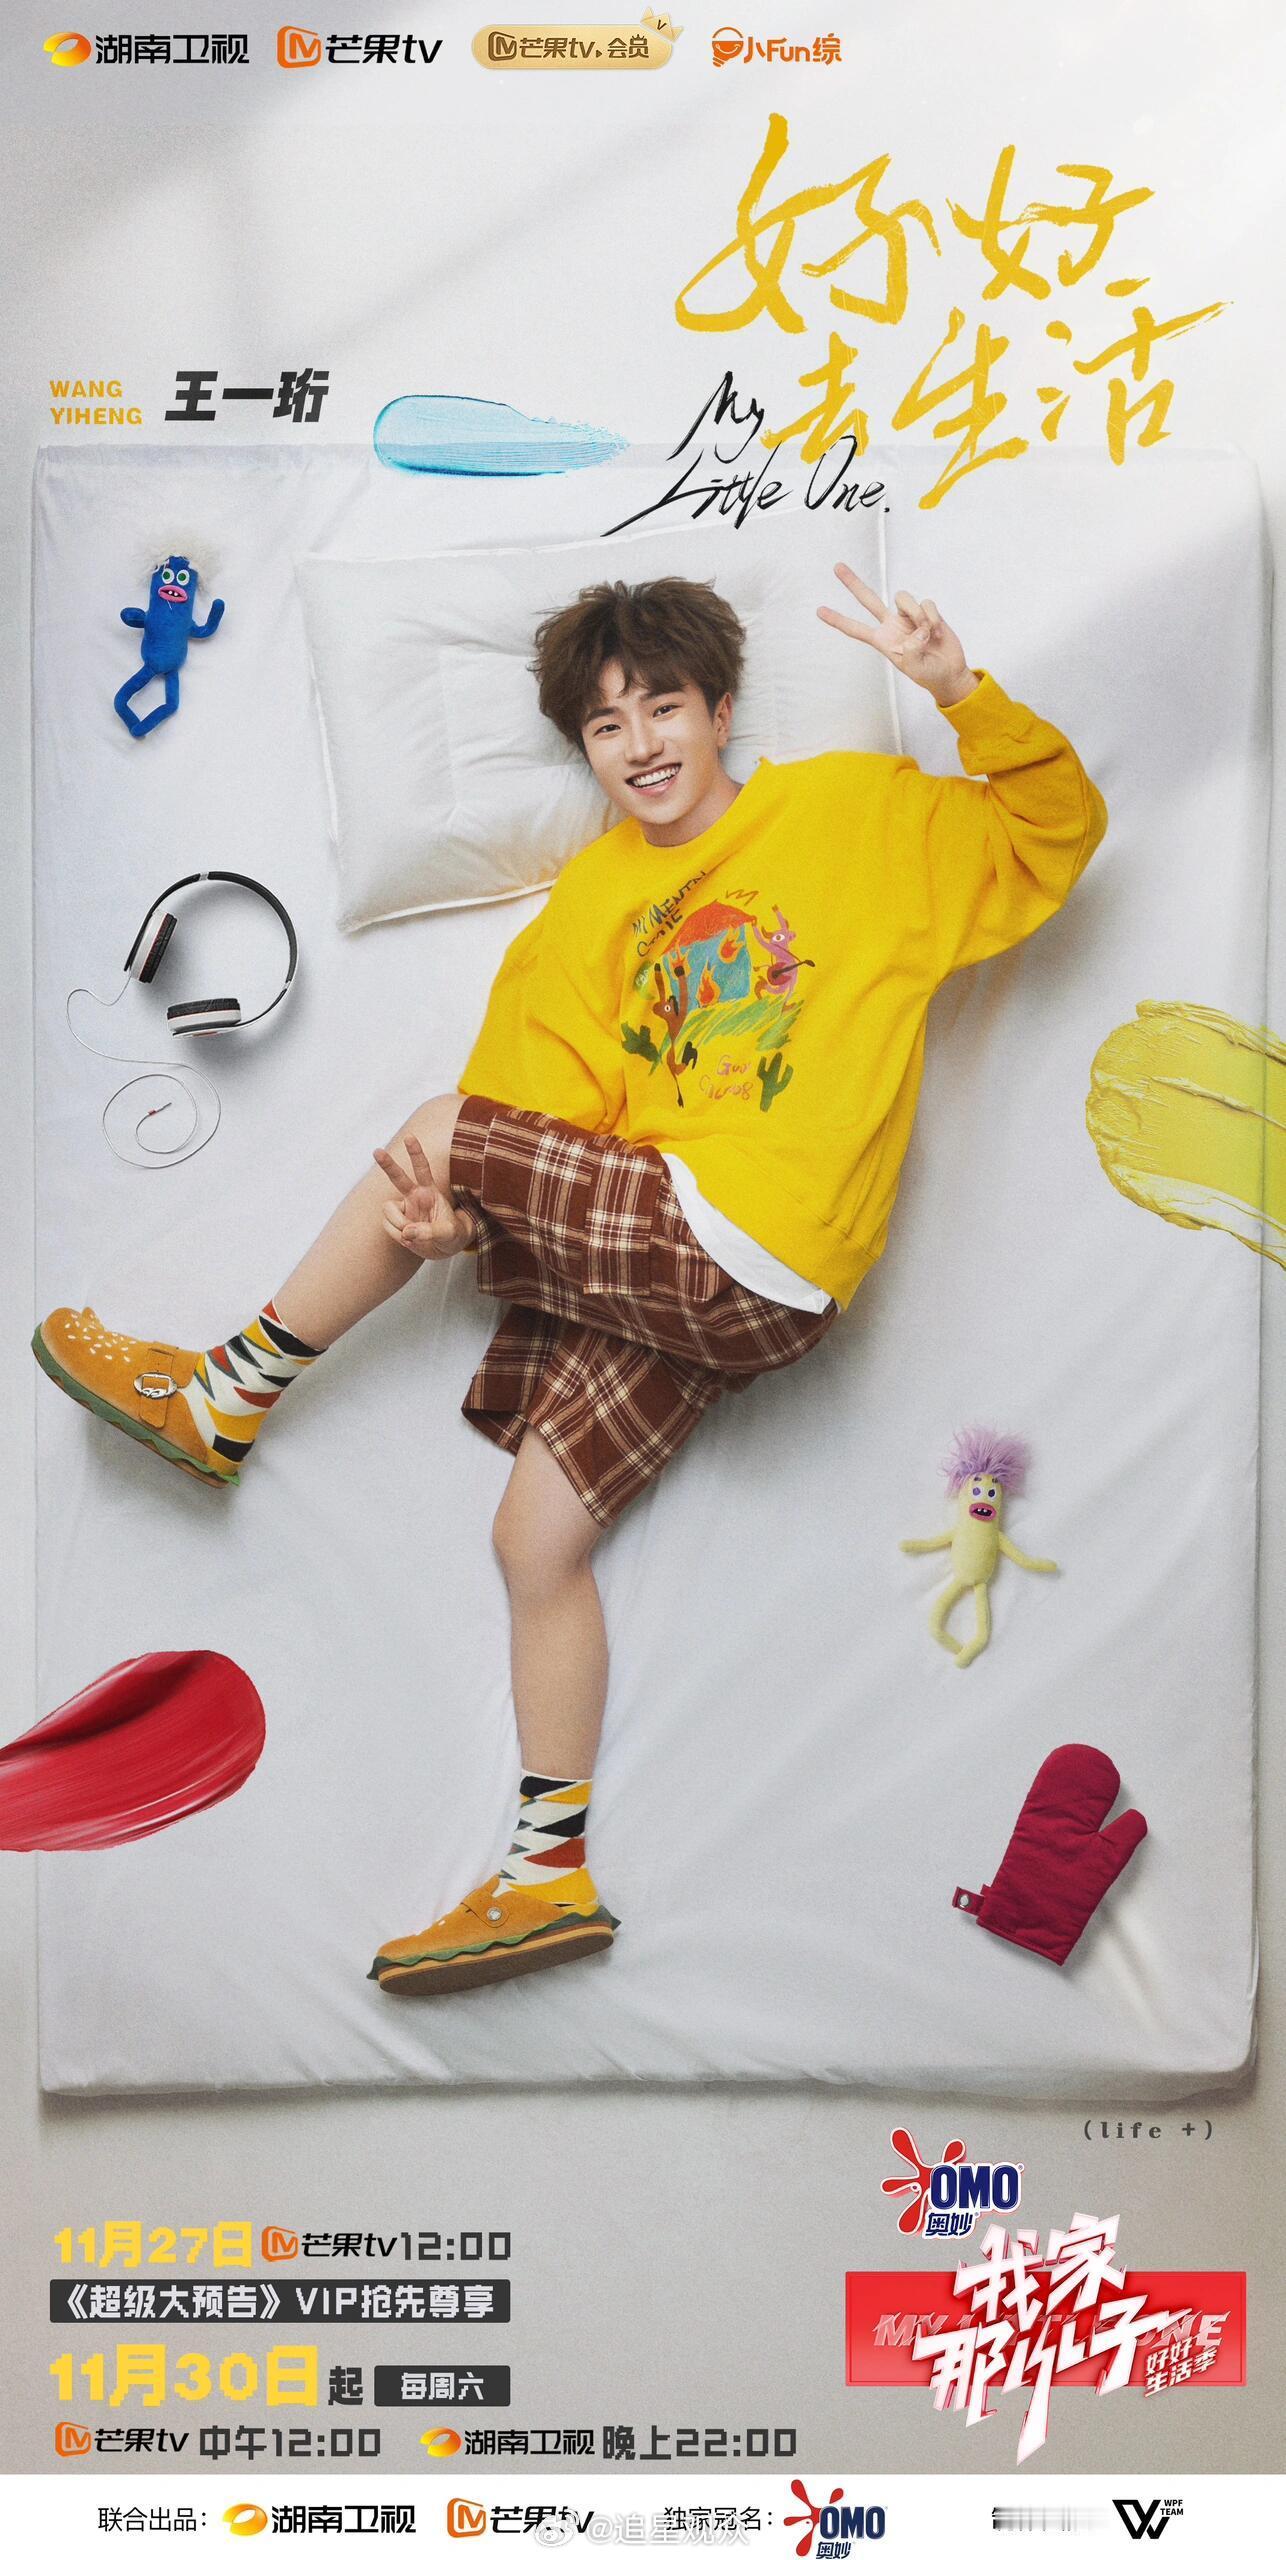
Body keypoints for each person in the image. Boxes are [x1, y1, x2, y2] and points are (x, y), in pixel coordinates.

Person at [32, 566, 1107, 1996]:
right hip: (714, 1278)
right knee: (535, 1538)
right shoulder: (589, 905)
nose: (641, 744)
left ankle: (225, 1395)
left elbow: (1056, 829)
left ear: (720, 707)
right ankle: (547, 1876)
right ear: (584, 750)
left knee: (436, 1129)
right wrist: (441, 1225)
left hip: (758, 1231)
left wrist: (958, 689)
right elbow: (527, 1133)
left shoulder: (859, 814)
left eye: (663, 706)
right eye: (606, 726)